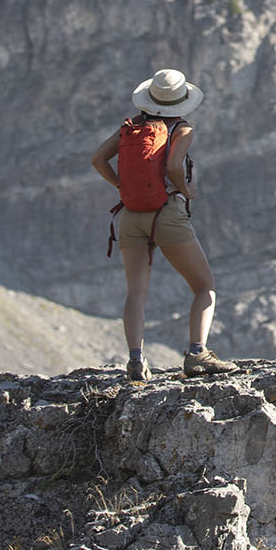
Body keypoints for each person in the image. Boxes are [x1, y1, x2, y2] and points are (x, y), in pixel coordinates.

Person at [91, 68, 238, 381]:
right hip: (167, 213)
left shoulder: (129, 128)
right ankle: (197, 353)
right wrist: (186, 190)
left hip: (130, 215)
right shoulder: (182, 130)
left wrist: (121, 186)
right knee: (204, 285)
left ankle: (135, 359)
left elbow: (97, 160)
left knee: (136, 293)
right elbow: (173, 166)